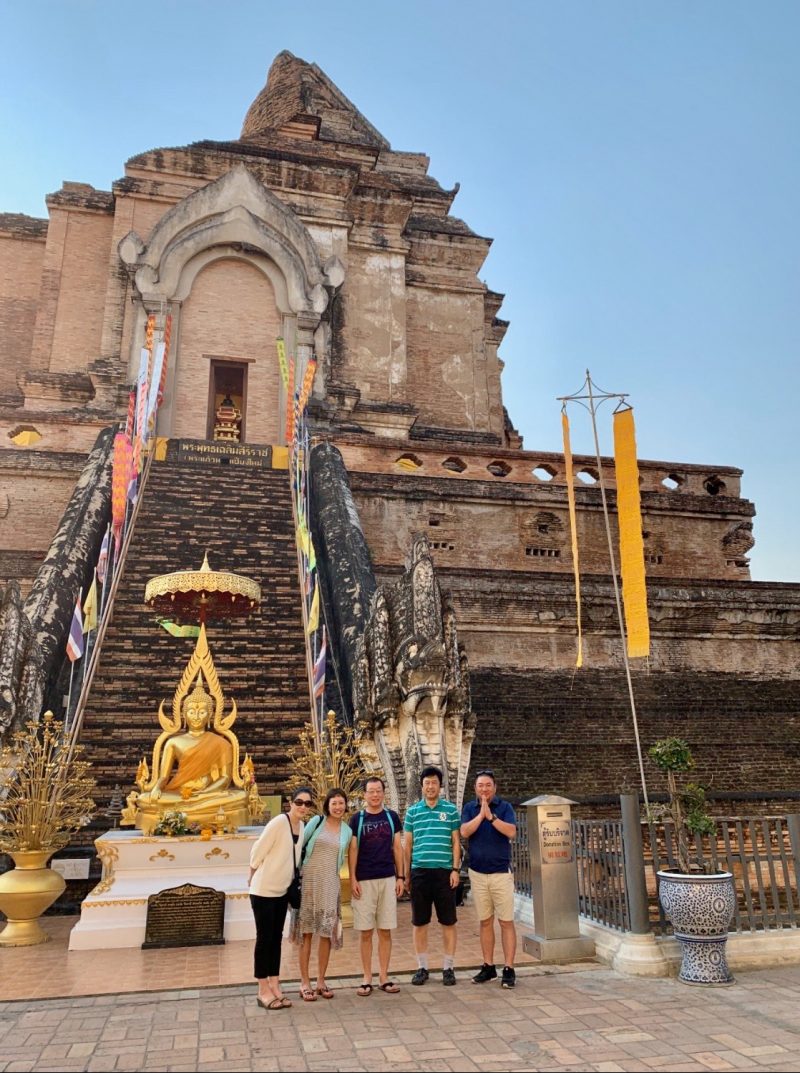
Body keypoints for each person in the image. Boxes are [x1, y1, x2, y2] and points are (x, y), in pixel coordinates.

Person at [248, 787, 313, 1010]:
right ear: (290, 802)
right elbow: (259, 849)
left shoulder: (302, 826)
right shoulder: (278, 822)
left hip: (282, 892)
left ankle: (275, 984)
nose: (303, 807)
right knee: (264, 939)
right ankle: (262, 988)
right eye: (299, 802)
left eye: (307, 804)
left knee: (276, 939)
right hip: (263, 890)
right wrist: (252, 870)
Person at [403, 765, 461, 986]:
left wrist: (455, 870)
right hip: (419, 873)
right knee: (420, 922)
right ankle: (422, 967)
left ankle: (448, 967)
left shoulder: (450, 810)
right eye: (426, 783)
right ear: (422, 786)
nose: (430, 786)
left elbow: (456, 842)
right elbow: (407, 845)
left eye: (434, 782)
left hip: (444, 873)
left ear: (440, 786)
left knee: (448, 922)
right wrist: (406, 874)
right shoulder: (413, 812)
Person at [294, 787, 353, 1001]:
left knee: (326, 933)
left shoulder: (347, 831)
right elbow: (299, 847)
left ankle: (321, 980)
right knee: (306, 933)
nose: (338, 807)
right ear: (327, 805)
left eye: (341, 803)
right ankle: (304, 982)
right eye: (334, 803)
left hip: (330, 883)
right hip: (310, 881)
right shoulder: (316, 823)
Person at [460, 769, 518, 989]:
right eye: (480, 786)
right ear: (475, 788)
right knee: (485, 921)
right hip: (478, 872)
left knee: (505, 921)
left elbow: (511, 832)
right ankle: (488, 965)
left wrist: (491, 817)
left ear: (494, 787)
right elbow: (465, 832)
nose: (484, 789)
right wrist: (480, 815)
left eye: (488, 785)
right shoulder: (469, 808)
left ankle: (509, 967)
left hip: (500, 873)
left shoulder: (505, 808)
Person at [348, 776, 404, 995]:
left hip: (387, 878)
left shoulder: (391, 817)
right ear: (365, 794)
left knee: (385, 930)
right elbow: (353, 850)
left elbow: (397, 848)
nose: (375, 795)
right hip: (364, 879)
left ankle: (384, 976)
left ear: (383, 792)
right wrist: (352, 878)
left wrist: (401, 877)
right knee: (365, 932)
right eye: (371, 791)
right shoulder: (357, 819)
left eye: (378, 791)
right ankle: (366, 976)